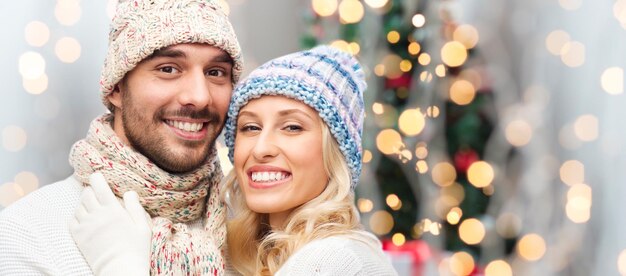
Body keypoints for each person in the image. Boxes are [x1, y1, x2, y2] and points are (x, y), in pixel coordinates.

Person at [71, 45, 398, 275]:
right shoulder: (253, 256)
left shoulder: (335, 259)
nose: (261, 148)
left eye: (292, 127)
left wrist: (120, 265)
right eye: (250, 127)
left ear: (335, 152)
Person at [0, 0, 243, 275]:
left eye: (215, 73)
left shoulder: (253, 231)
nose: (199, 97)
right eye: (168, 69)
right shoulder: (28, 235)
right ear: (116, 88)